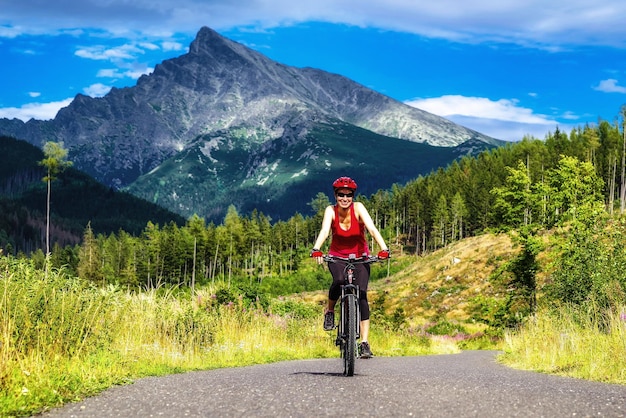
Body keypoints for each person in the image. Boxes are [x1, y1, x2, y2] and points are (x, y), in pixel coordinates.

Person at [310, 176, 390, 359]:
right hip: (337, 256)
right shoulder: (330, 211)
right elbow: (324, 231)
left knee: (362, 294)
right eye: (341, 195)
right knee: (338, 280)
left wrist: (384, 249)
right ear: (335, 195)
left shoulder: (359, 208)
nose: (344, 199)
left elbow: (372, 229)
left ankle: (364, 342)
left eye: (348, 195)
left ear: (353, 196)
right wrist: (317, 249)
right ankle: (330, 311)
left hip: (360, 257)